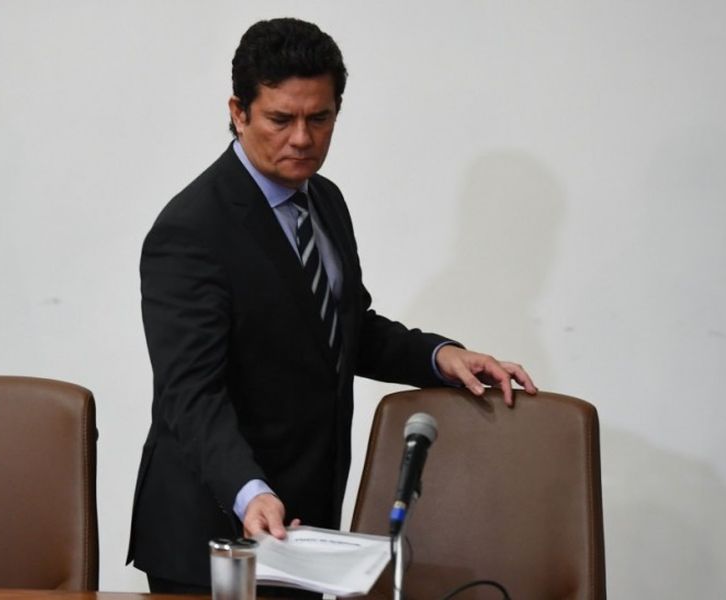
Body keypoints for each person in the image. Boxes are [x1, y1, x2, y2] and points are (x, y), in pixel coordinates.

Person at [127, 17, 537, 593]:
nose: (302, 138)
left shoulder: (325, 201)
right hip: (214, 533)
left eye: (319, 119)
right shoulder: (191, 230)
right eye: (281, 119)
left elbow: (343, 329)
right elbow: (190, 393)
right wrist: (249, 491)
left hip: (306, 525)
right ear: (239, 112)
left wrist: (440, 357)